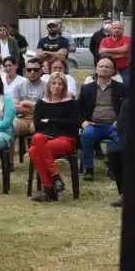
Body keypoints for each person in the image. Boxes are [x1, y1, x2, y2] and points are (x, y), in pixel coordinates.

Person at [28, 72, 79, 202]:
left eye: (60, 84)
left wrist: (50, 121)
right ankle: (55, 179)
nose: (56, 86)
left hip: (66, 139)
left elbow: (72, 125)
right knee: (36, 142)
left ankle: (50, 190)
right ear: (48, 85)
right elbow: (38, 126)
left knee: (35, 149)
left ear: (64, 87)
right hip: (44, 139)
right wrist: (58, 122)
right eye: (54, 83)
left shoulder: (70, 103)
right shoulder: (41, 103)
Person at [78, 56, 128, 181]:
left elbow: (128, 108)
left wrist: (121, 122)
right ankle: (89, 169)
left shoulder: (122, 88)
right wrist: (83, 122)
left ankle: (114, 168)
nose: (104, 69)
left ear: (113, 71)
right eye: (101, 66)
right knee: (86, 135)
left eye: (107, 66)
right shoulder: (86, 89)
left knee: (121, 138)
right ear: (96, 69)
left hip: (114, 125)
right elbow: (77, 109)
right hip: (94, 125)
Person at [107, 96, 128, 208]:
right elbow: (121, 125)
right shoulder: (128, 102)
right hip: (132, 140)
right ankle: (125, 194)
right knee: (114, 153)